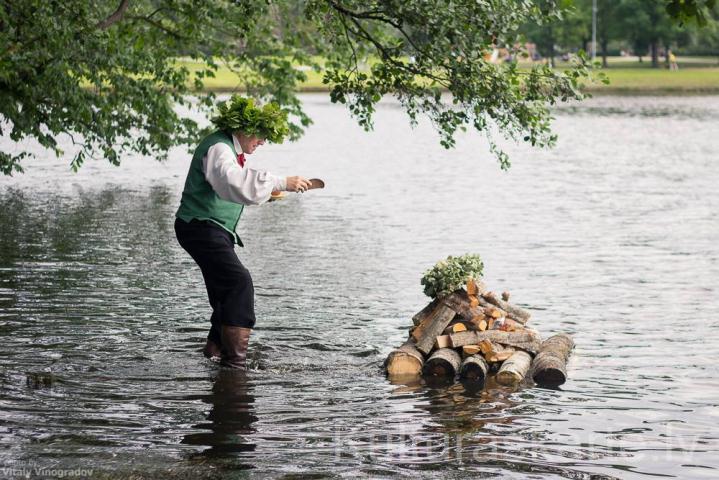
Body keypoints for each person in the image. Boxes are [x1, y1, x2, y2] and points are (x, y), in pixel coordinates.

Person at [174, 95, 311, 369]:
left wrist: (267, 194)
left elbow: (228, 188)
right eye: (261, 135)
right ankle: (236, 365)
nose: (262, 142)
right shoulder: (219, 149)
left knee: (225, 293)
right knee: (239, 282)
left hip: (210, 229)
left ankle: (215, 352)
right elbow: (234, 183)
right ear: (246, 128)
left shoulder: (226, 148)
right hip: (200, 227)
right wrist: (283, 181)